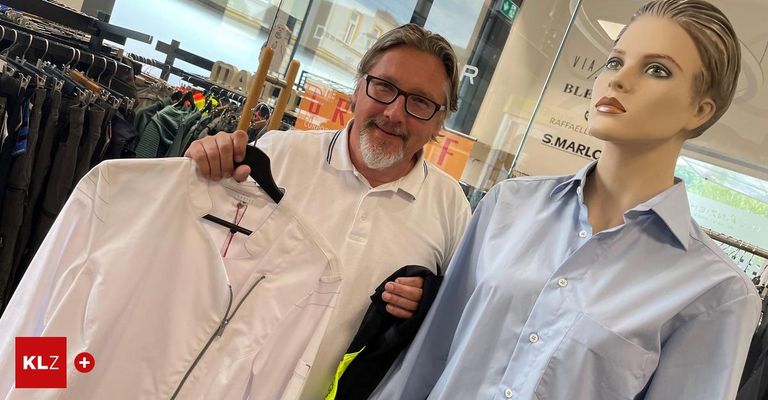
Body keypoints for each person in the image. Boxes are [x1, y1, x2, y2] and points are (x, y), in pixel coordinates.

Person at [369, 1, 761, 399]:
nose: (618, 80)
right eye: (614, 62)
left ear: (700, 110)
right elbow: (426, 359)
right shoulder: (508, 206)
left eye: (656, 70)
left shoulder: (715, 292)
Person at [185, 24, 471, 398]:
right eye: (383, 87)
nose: (394, 112)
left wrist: (427, 302)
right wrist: (198, 172)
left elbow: (451, 331)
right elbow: (196, 257)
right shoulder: (278, 155)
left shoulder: (452, 212)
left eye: (420, 102)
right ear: (356, 89)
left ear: (439, 123)